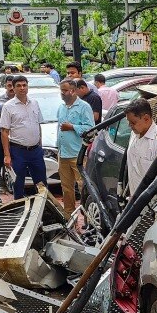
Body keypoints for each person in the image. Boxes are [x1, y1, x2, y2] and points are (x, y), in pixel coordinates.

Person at [0, 75, 47, 197]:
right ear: (13, 88)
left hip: (35, 151)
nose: (22, 88)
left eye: (24, 85)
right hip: (18, 151)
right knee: (18, 183)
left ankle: (43, 208)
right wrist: (7, 155)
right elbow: (4, 132)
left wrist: (40, 144)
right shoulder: (8, 106)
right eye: (18, 86)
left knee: (41, 183)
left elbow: (38, 124)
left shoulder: (35, 103)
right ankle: (19, 208)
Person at [56, 78, 95, 213]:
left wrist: (72, 127)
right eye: (61, 91)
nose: (62, 94)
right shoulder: (61, 107)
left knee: (83, 187)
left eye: (65, 91)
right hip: (63, 154)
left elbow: (90, 129)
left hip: (78, 154)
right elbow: (59, 128)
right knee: (66, 188)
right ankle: (69, 215)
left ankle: (87, 217)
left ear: (73, 91)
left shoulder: (84, 107)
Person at [123, 99, 157, 195]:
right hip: (134, 198)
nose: (129, 126)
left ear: (146, 118)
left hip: (151, 204)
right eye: (129, 122)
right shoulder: (134, 133)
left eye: (133, 122)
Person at [0, 76, 17, 202]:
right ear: (6, 86)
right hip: (1, 135)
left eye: (13, 86)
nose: (11, 88)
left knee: (18, 164)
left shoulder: (21, 101)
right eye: (9, 86)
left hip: (17, 137)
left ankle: (18, 193)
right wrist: (3, 123)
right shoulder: (0, 100)